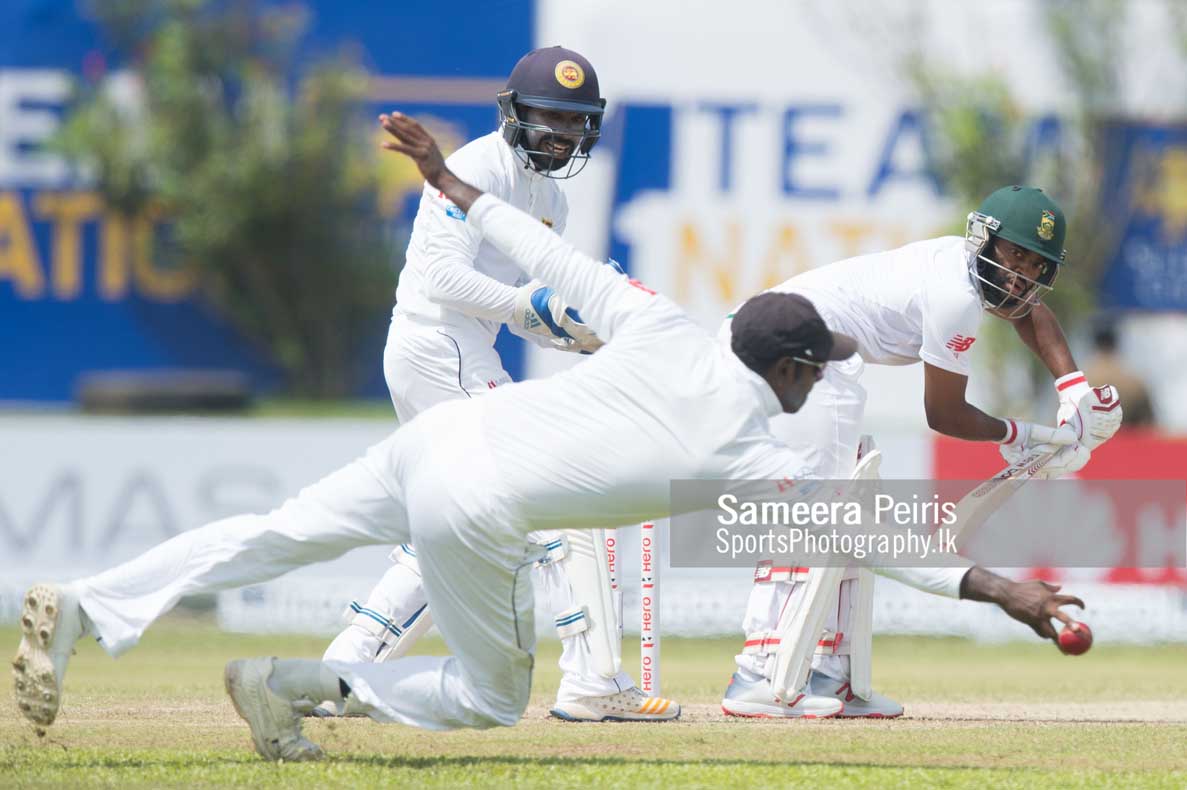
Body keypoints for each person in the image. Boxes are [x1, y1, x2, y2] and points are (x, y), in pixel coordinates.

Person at [13, 115, 1090, 762]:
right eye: (823, 368)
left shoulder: (662, 318)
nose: (828, 381)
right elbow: (881, 537)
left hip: (440, 440)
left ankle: (88, 607)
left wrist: (445, 183)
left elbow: (546, 255)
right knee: (487, 699)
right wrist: (1008, 592)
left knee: (273, 533)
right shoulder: (748, 457)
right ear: (795, 370)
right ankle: (289, 682)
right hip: (478, 506)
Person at [322, 45, 679, 721]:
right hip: (437, 347)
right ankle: (590, 681)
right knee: (546, 503)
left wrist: (581, 332)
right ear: (514, 114)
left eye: (576, 123)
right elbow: (445, 280)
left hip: (465, 351)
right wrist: (531, 307)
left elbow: (526, 310)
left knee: (458, 525)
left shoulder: (552, 199)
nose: (563, 135)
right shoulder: (478, 166)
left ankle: (347, 666)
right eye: (550, 118)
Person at [720, 186, 1124, 719]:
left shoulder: (973, 271)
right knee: (814, 515)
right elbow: (945, 415)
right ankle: (758, 675)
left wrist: (1072, 387)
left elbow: (1029, 312)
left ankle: (832, 674)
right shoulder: (954, 293)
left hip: (800, 353)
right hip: (789, 355)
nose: (1020, 275)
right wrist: (1025, 437)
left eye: (1035, 264)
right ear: (986, 241)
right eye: (1014, 256)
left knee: (843, 513)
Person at [1083, 316, 1155, 428]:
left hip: (1089, 444)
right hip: (1125, 443)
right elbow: (1148, 428)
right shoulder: (1133, 382)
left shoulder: (1080, 382)